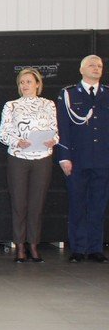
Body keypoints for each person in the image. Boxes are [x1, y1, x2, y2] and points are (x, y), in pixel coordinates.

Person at [0, 67, 58, 262]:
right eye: (22, 82)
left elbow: (55, 131)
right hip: (18, 158)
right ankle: (20, 246)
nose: (25, 85)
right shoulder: (11, 105)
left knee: (36, 204)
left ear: (37, 84)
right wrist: (18, 142)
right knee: (19, 204)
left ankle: (33, 244)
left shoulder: (48, 104)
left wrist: (53, 140)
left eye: (29, 82)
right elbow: (3, 134)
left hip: (42, 158)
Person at [55, 54, 109, 262]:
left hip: (102, 160)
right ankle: (78, 248)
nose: (96, 68)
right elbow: (63, 127)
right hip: (77, 159)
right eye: (92, 65)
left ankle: (95, 248)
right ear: (81, 70)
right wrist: (64, 157)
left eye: (99, 66)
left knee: (98, 205)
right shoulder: (69, 94)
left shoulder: (106, 93)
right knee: (77, 204)